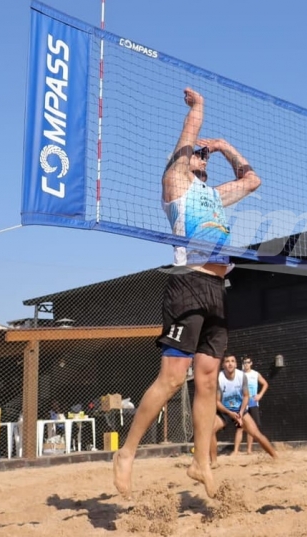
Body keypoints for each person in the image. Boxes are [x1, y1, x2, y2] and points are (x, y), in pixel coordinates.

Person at [113, 88, 261, 498]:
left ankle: (200, 462)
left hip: (216, 288)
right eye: (198, 154)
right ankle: (126, 453)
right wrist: (197, 113)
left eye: (203, 157)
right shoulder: (176, 184)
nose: (201, 157)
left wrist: (224, 146)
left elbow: (253, 179)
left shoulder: (215, 196)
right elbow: (183, 147)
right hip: (187, 284)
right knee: (173, 378)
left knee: (208, 380)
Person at [212, 353, 277, 462]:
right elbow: (217, 402)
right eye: (227, 361)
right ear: (223, 365)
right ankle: (213, 462)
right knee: (210, 430)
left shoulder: (242, 376)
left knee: (256, 434)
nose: (230, 364)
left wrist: (241, 413)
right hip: (225, 411)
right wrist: (229, 413)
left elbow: (246, 396)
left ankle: (275, 456)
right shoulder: (219, 377)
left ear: (236, 364)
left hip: (239, 409)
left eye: (232, 361)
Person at [233, 356, 269, 454]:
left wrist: (260, 395)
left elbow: (265, 384)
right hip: (241, 404)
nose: (246, 364)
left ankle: (249, 450)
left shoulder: (255, 374)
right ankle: (235, 451)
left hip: (253, 403)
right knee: (240, 427)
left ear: (251, 363)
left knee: (251, 427)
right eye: (244, 362)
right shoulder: (239, 374)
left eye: (248, 362)